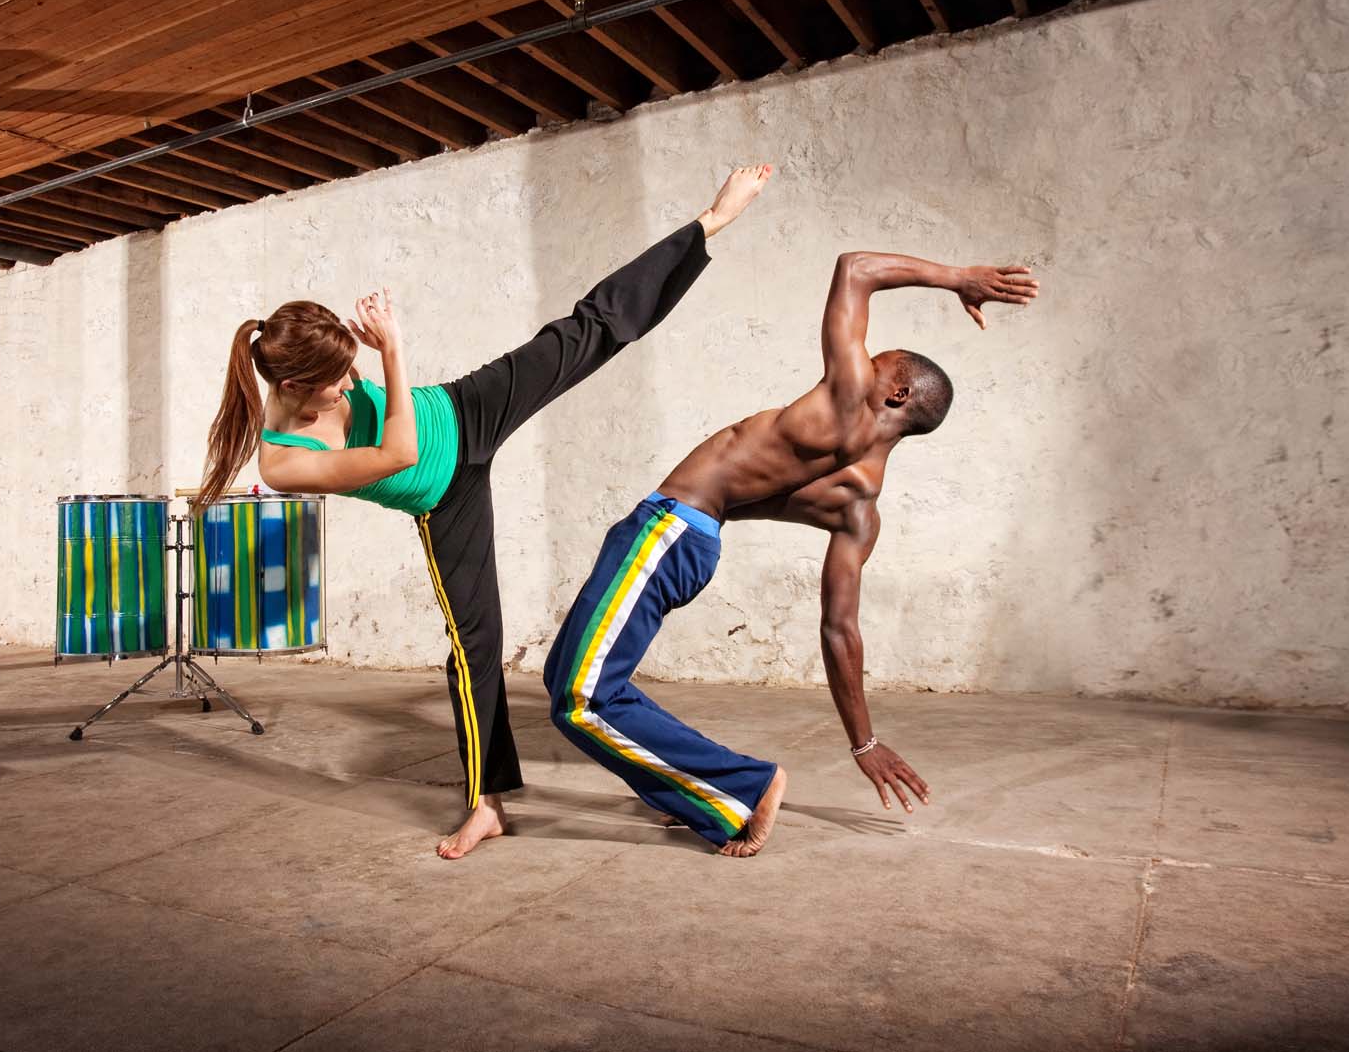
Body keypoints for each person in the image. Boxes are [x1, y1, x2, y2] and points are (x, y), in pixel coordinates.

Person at [197, 165, 776, 858]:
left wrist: (712, 218)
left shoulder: (322, 372)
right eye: (340, 380)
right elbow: (399, 452)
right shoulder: (284, 460)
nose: (353, 382)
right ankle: (486, 803)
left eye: (355, 368)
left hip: (465, 407)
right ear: (293, 387)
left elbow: (413, 414)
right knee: (474, 654)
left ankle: (708, 224)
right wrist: (394, 348)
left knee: (585, 329)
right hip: (445, 499)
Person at [544, 250, 1039, 856]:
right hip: (691, 542)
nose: (859, 360)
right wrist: (864, 742)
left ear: (896, 392)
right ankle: (686, 792)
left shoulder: (850, 400)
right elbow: (839, 629)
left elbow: (855, 267)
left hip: (666, 532)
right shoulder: (861, 506)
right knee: (568, 679)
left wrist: (961, 278)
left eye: (873, 363)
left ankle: (746, 787)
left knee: (582, 695)